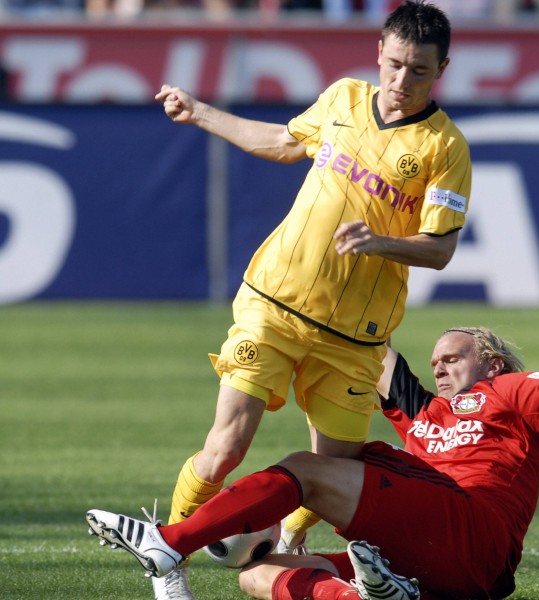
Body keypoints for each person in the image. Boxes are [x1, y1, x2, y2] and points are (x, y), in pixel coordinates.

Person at [87, 285, 539, 600]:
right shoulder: (423, 414)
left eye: (454, 356)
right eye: (436, 360)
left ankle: (169, 543)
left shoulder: (513, 396)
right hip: (434, 569)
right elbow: (370, 343)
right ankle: (376, 597)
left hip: (471, 529)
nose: (440, 366)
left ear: (492, 360)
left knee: (309, 468)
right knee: (257, 576)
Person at [149, 1, 471, 597]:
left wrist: (381, 242)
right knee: (225, 448)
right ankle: (170, 561)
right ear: (379, 53)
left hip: (354, 338)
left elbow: (440, 249)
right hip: (275, 303)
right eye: (395, 65)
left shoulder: (444, 147)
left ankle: (290, 545)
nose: (402, 82)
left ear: (442, 69)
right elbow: (280, 141)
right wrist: (200, 113)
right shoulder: (343, 99)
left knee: (331, 477)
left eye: (419, 71)